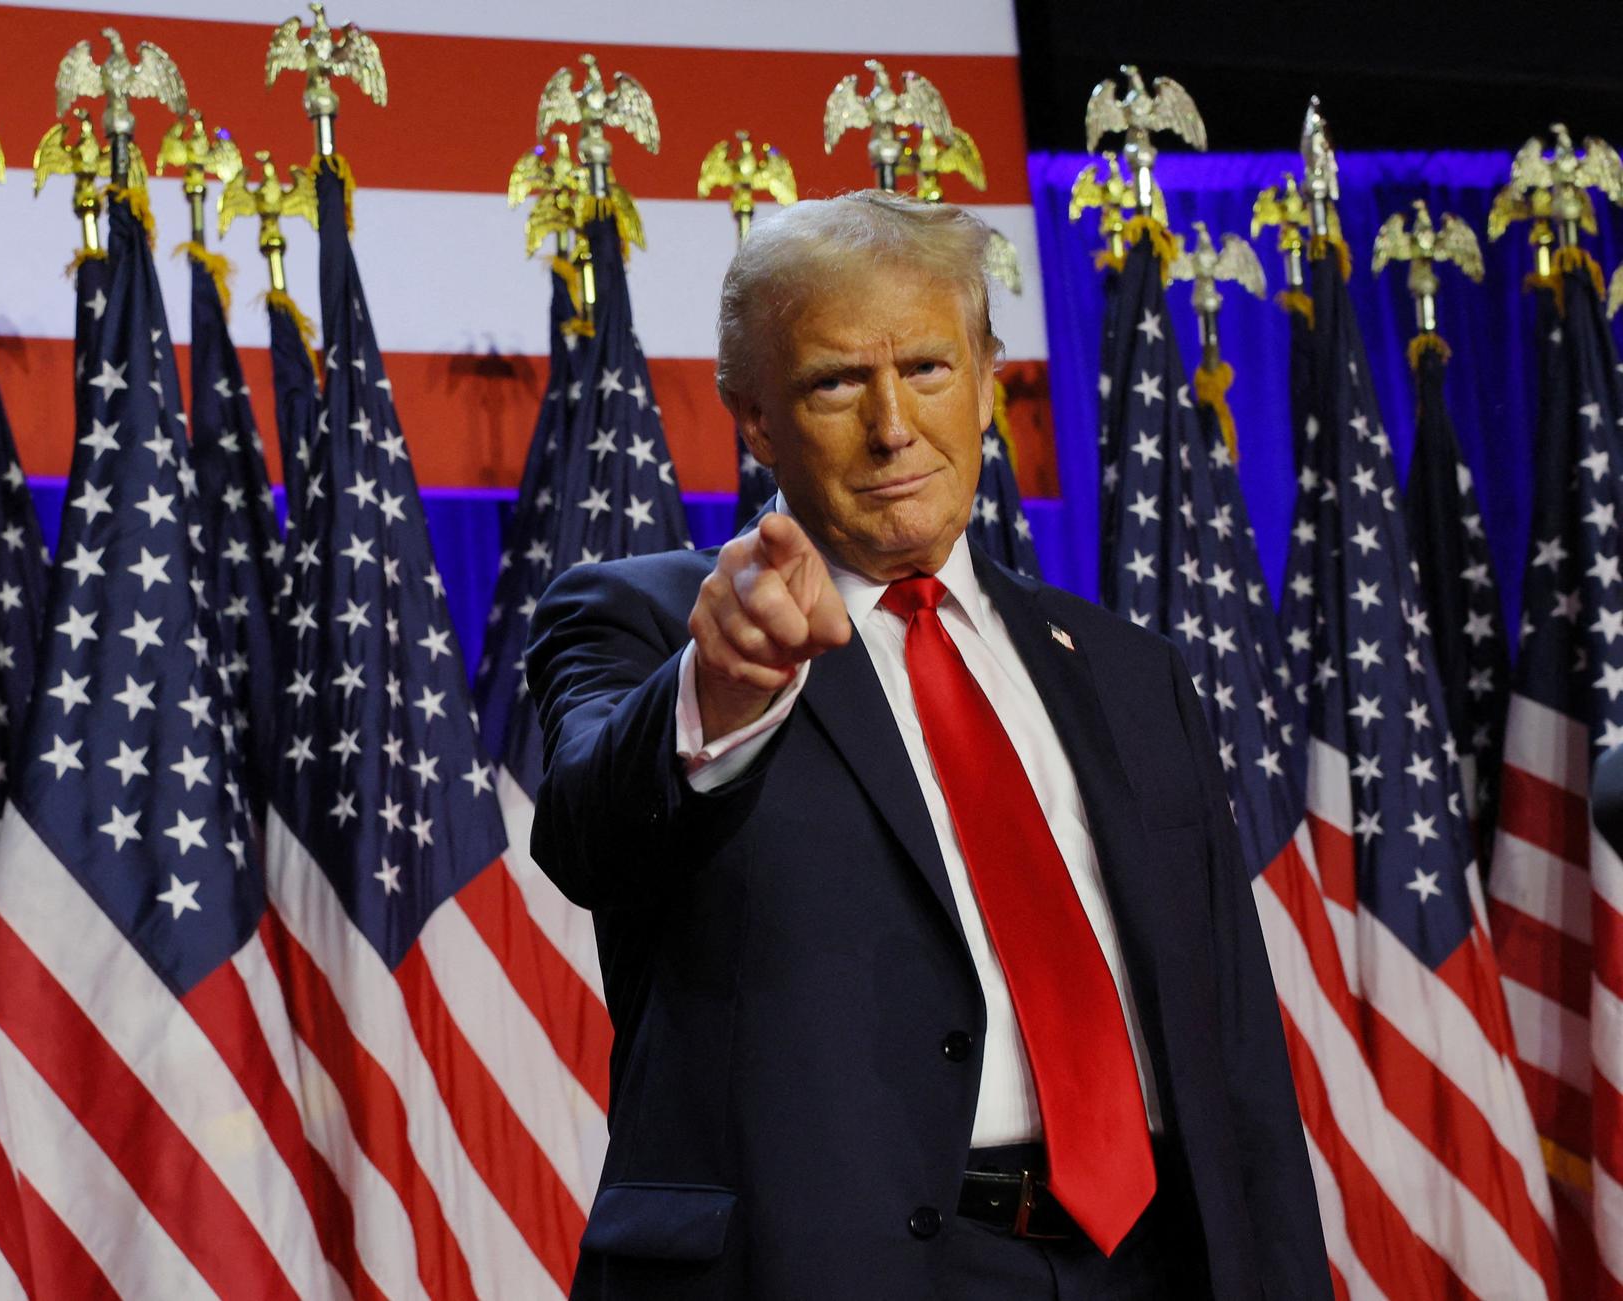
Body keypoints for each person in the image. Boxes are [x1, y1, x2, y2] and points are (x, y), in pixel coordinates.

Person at [527, 190, 1330, 1300]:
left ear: (989, 379)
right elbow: (587, 831)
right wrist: (725, 685)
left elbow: (1234, 1045)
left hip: (1146, 1265)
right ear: (754, 417)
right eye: (835, 382)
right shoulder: (656, 623)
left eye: (928, 368)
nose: (893, 423)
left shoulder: (1128, 669)